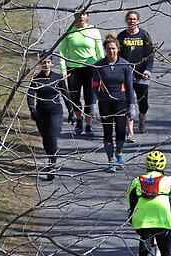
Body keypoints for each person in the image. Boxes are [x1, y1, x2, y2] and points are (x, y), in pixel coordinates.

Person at [91, 33, 135, 172]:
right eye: (109, 49)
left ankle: (119, 153)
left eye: (114, 48)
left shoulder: (125, 65)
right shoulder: (99, 66)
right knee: (107, 132)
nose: (111, 51)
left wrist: (132, 105)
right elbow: (94, 86)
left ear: (118, 49)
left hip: (120, 101)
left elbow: (129, 86)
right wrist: (93, 105)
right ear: (105, 49)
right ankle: (111, 160)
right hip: (105, 102)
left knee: (121, 132)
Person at [27, 51, 74, 181]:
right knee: (46, 139)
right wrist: (32, 110)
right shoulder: (36, 80)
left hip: (55, 111)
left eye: (48, 62)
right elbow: (30, 95)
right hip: (41, 112)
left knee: (53, 136)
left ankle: (51, 165)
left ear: (52, 63)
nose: (46, 65)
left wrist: (71, 111)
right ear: (40, 64)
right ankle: (51, 157)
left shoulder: (57, 77)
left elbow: (66, 95)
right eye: (43, 63)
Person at [59, 5, 104, 136]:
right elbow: (62, 51)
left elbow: (100, 53)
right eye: (78, 14)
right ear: (74, 16)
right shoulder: (69, 31)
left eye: (83, 14)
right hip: (73, 68)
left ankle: (88, 125)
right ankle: (79, 119)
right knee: (74, 96)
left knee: (90, 97)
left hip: (91, 68)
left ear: (87, 16)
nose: (81, 17)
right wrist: (63, 69)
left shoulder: (94, 31)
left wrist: (102, 70)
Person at [117, 10, 155, 142]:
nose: (132, 21)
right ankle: (130, 132)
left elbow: (150, 55)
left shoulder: (144, 35)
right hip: (126, 76)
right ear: (126, 21)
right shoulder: (121, 36)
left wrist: (147, 71)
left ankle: (142, 119)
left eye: (134, 19)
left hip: (141, 75)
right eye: (129, 19)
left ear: (138, 21)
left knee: (143, 104)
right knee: (129, 103)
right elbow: (116, 56)